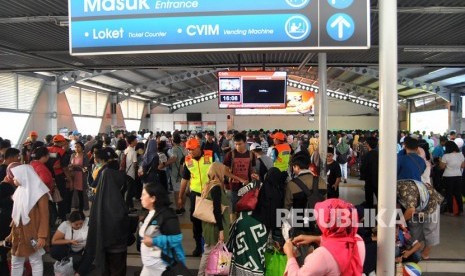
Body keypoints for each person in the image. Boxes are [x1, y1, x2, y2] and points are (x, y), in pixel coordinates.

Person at [283, 198, 365, 275]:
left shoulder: (322, 256)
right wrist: (316, 239)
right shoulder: (358, 240)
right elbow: (339, 243)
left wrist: (290, 254)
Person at [86, 149, 129, 276]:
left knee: (105, 270)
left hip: (103, 244)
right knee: (117, 270)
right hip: (117, 247)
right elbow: (121, 221)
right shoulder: (117, 201)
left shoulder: (99, 200)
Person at [5, 164, 50, 276]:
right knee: (16, 260)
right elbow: (17, 216)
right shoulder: (19, 191)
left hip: (33, 232)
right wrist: (11, 234)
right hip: (19, 232)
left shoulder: (40, 192)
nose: (13, 179)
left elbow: (45, 216)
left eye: (15, 176)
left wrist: (42, 236)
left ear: (23, 176)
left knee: (35, 260)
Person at [140, 183, 185, 276]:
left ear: (153, 198)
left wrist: (154, 241)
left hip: (163, 266)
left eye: (144, 195)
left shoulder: (167, 215)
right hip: (149, 266)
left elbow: (177, 238)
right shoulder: (148, 214)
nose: (141, 198)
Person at [197, 162, 231, 276]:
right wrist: (221, 230)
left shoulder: (209, 185)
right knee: (210, 254)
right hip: (215, 227)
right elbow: (217, 210)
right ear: (218, 172)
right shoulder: (216, 187)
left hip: (209, 225)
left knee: (210, 253)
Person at [396, 179, 443, 260]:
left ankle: (425, 254)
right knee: (413, 226)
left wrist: (398, 223)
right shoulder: (396, 190)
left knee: (430, 228)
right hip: (418, 205)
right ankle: (415, 251)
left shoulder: (404, 233)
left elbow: (410, 210)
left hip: (432, 202)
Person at [51, 210, 92, 275]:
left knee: (91, 252)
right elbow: (54, 241)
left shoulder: (88, 221)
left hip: (83, 249)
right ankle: (67, 262)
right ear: (70, 222)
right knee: (55, 250)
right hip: (69, 248)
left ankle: (78, 273)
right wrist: (69, 241)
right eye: (76, 224)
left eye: (81, 223)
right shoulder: (65, 224)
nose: (79, 226)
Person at [0, 163, 19, 275]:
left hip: (11, 219)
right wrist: (12, 198)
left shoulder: (13, 184)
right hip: (5, 221)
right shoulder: (4, 185)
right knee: (5, 250)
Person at [440, 140, 464, 216]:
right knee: (458, 193)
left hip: (448, 176)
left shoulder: (446, 156)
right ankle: (461, 210)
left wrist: (440, 161)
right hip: (458, 175)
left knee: (449, 193)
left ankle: (450, 211)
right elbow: (463, 166)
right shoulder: (461, 155)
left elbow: (442, 167)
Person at [167, 134, 187, 215]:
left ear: (173, 141)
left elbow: (174, 158)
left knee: (176, 192)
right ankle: (182, 207)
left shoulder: (174, 149)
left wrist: (165, 163)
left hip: (176, 174)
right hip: (184, 173)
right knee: (184, 191)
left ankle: (178, 209)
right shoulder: (183, 149)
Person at [360, 137, 379, 208]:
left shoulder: (366, 156)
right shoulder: (380, 155)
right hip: (379, 181)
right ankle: (382, 217)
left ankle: (369, 218)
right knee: (380, 199)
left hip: (369, 181)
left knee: (369, 201)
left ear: (368, 145)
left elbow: (363, 168)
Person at [69, 141, 88, 211]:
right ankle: (75, 206)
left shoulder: (85, 156)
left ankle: (81, 208)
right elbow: (69, 164)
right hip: (73, 175)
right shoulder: (73, 155)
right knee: (74, 192)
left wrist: (77, 166)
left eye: (78, 147)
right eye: (75, 147)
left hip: (81, 176)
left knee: (81, 193)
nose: (76, 148)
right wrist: (70, 167)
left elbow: (86, 168)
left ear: (82, 148)